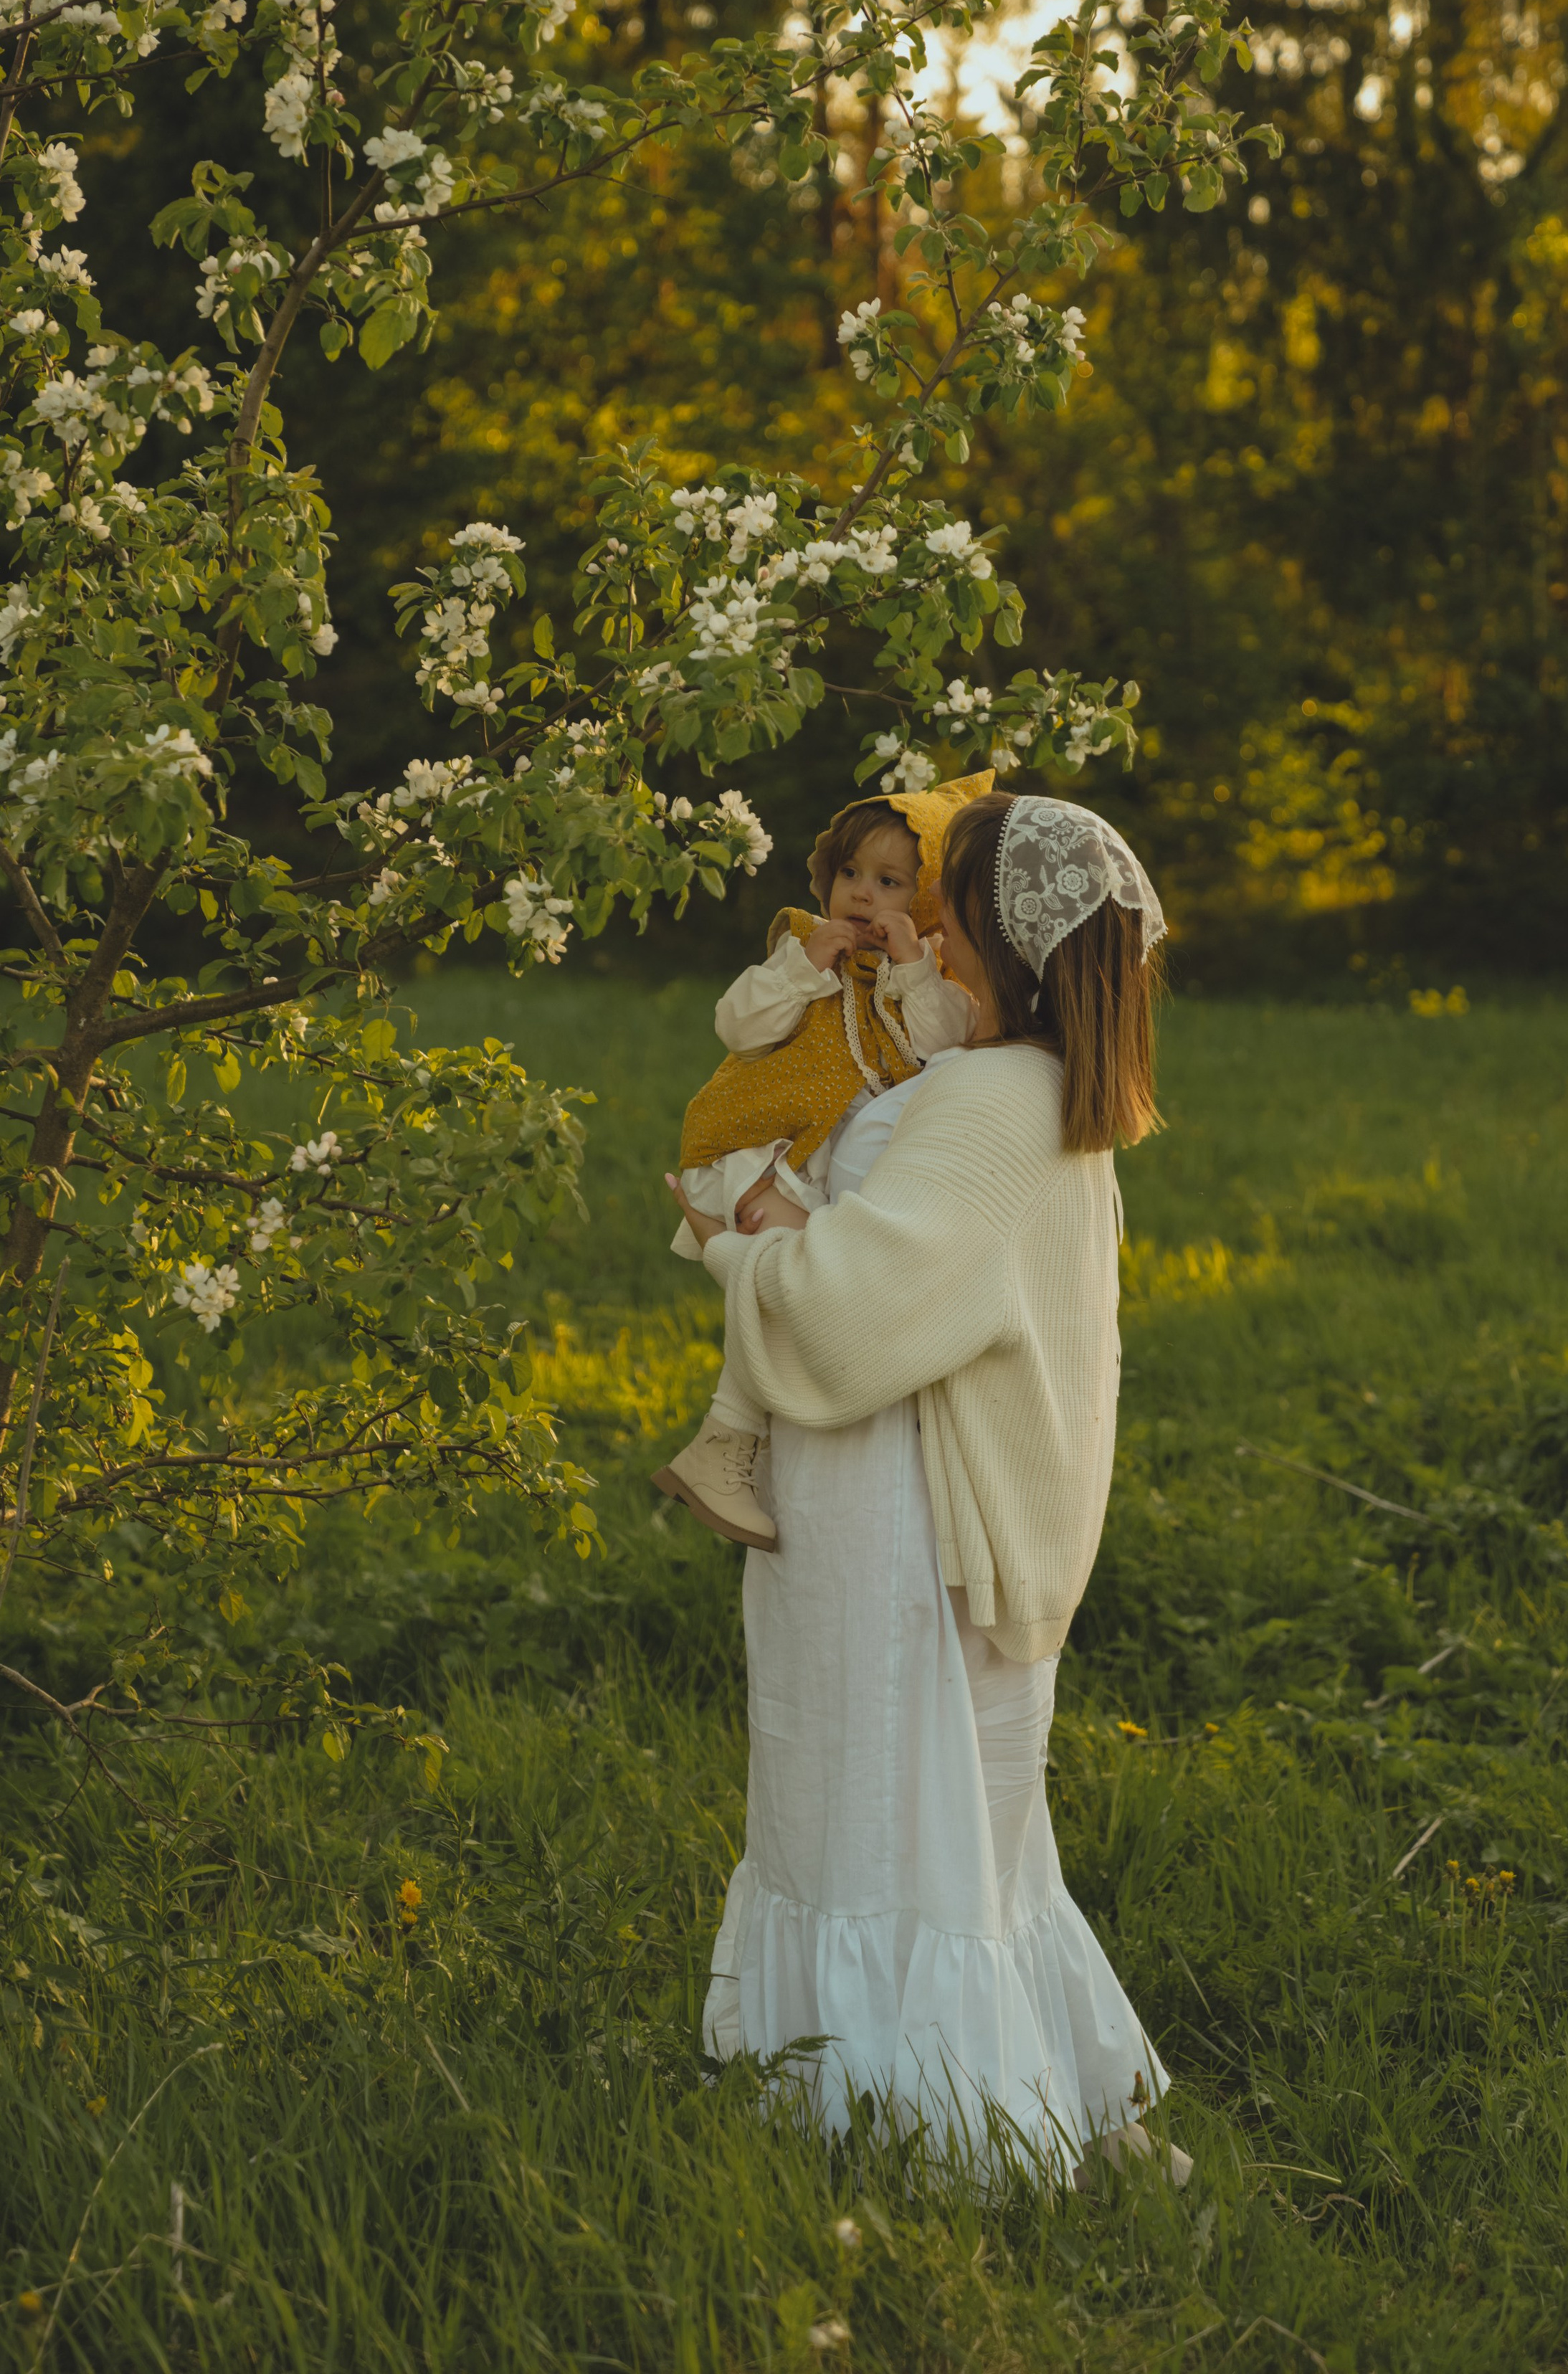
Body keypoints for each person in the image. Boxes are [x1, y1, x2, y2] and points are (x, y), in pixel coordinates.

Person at [665, 787, 1185, 2183]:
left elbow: (848, 1305)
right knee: (959, 1821)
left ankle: (914, 2119)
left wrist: (739, 1232)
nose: (926, 931)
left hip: (886, 1498)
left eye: (948, 906)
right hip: (938, 1494)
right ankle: (983, 2088)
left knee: (876, 1803)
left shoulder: (978, 1100)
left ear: (1003, 946)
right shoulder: (1041, 1095)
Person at [654, 773, 988, 1549]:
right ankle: (724, 1447)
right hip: (750, 1152)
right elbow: (735, 1027)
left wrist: (911, 968)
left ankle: (733, 1448)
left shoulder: (931, 981)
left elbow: (945, 1052)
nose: (862, 897)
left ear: (929, 904)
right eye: (850, 875)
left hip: (804, 1174)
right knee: (795, 1277)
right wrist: (803, 967)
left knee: (804, 1287)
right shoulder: (800, 948)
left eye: (890, 883)